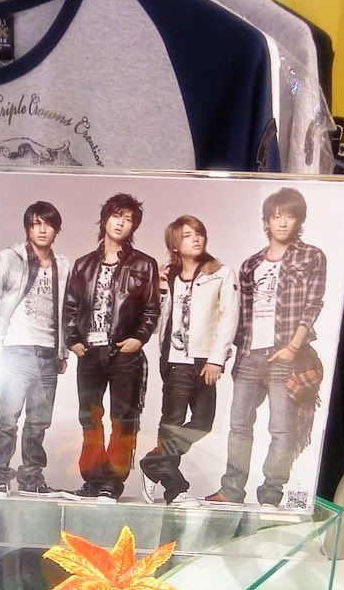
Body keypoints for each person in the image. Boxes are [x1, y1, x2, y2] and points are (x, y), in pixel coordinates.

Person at [206, 187, 327, 507]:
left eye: (289, 216)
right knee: (238, 427)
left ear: (298, 220)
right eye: (276, 216)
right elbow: (238, 312)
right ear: (267, 221)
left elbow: (313, 304)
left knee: (282, 430)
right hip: (249, 354)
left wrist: (293, 347)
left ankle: (271, 495)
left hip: (284, 354)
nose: (282, 222)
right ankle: (232, 491)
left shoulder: (311, 256)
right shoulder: (250, 265)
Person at [61, 193, 160, 503]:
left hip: (123, 353)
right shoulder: (83, 264)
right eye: (117, 216)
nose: (121, 223)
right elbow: (70, 306)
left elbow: (152, 309)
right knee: (89, 417)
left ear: (133, 227)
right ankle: (92, 480)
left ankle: (112, 482)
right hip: (89, 352)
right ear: (105, 219)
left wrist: (139, 339)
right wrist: (72, 340)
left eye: (128, 219)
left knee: (123, 419)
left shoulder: (144, 264)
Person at [139, 216, 239, 506]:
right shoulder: (167, 277)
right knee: (171, 423)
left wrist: (217, 359)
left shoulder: (220, 273)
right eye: (186, 235)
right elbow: (155, 323)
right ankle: (175, 490)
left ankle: (153, 462)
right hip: (174, 361)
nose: (196, 239)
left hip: (204, 360)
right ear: (174, 245)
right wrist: (157, 289)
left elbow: (228, 317)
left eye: (199, 233)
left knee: (203, 423)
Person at [0, 201, 70, 498]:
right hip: (16, 350)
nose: (42, 230)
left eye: (48, 224)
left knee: (39, 422)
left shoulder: (62, 265)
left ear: (56, 229)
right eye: (36, 224)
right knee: (8, 418)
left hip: (47, 353)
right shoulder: (10, 258)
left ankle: (31, 479)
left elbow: (66, 311)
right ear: (27, 228)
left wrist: (62, 351)